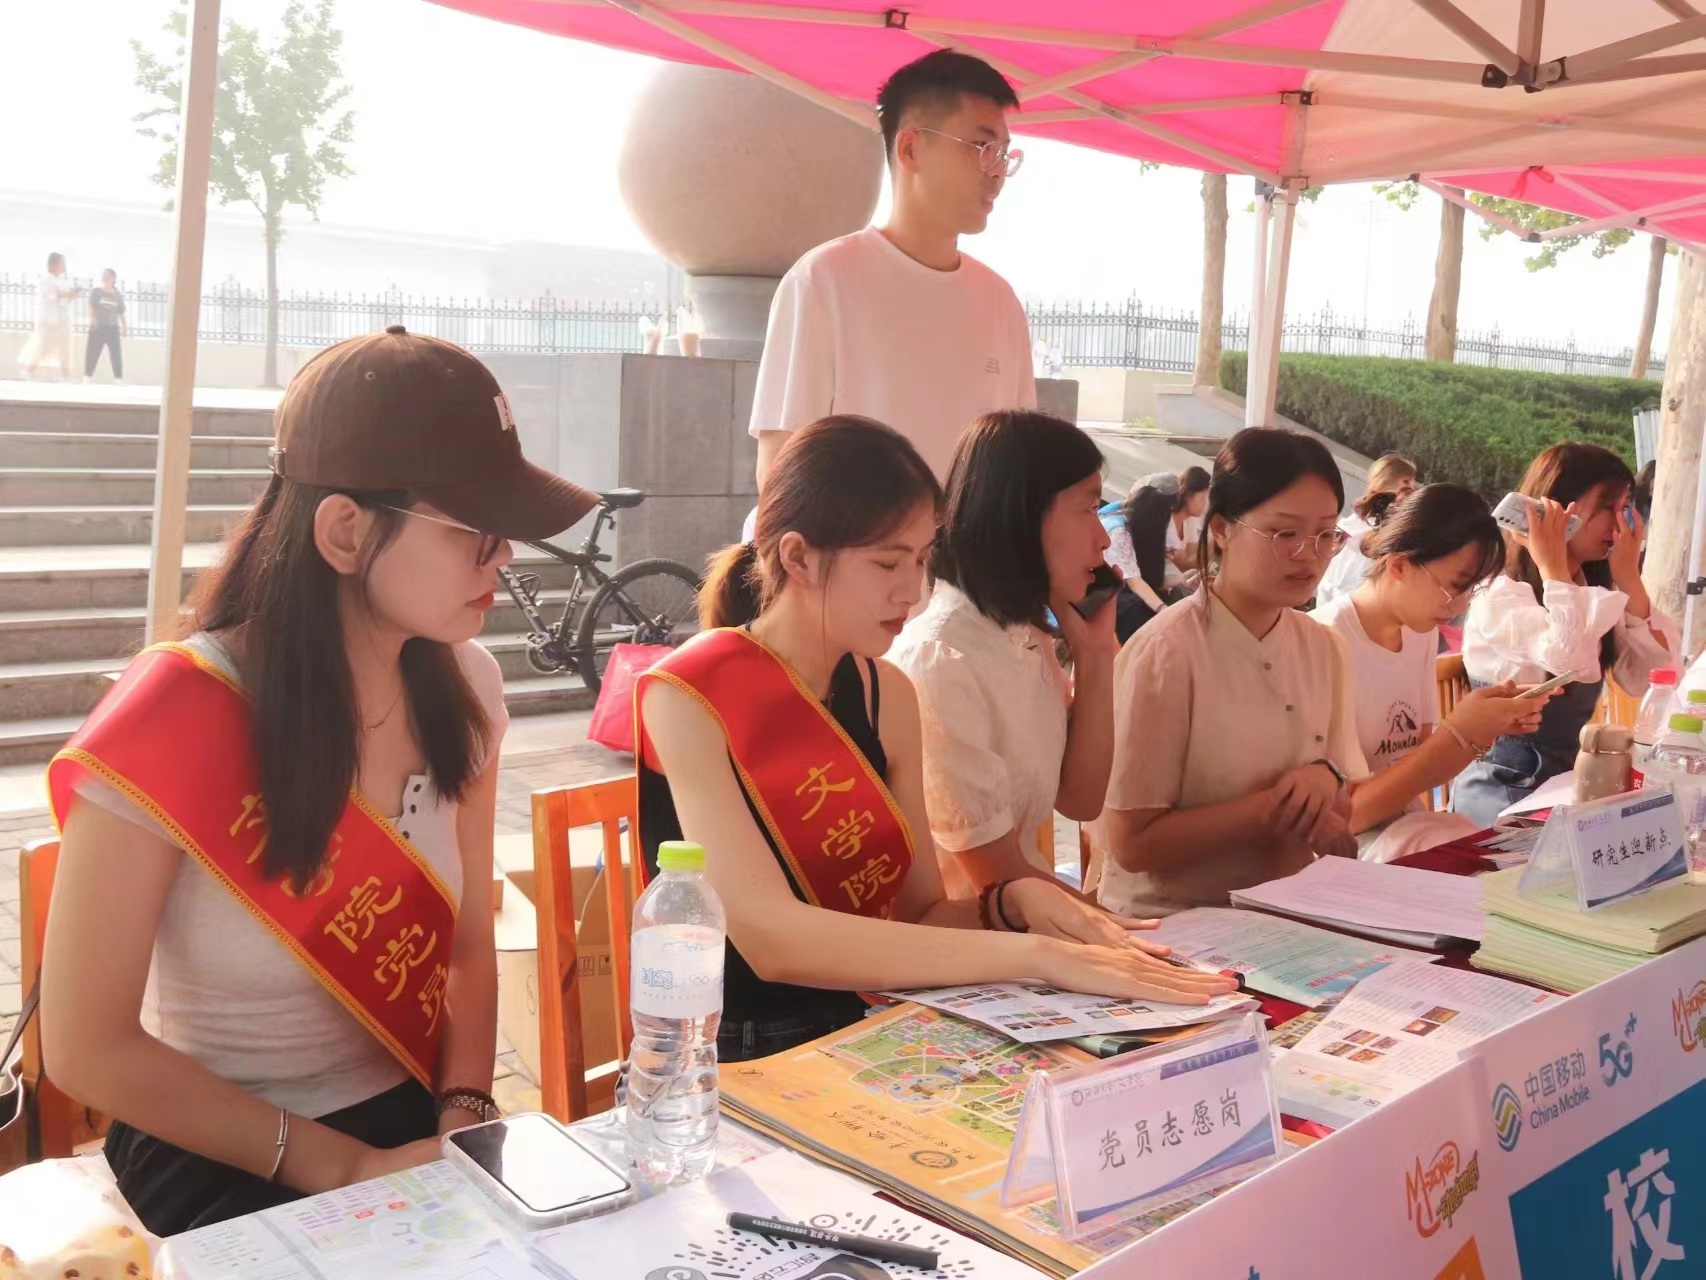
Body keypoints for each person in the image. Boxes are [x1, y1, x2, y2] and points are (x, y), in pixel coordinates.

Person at [41, 327, 600, 1235]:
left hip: (413, 1120)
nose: (505, 558)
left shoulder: (468, 686)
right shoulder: (177, 713)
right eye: (476, 530)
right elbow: (85, 1047)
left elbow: (464, 943)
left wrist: (465, 1112)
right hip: (218, 1150)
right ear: (345, 531)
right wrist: (345, 1166)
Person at [637, 416, 1236, 1061]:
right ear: (798, 557)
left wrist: (1011, 903)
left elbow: (921, 911)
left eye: (922, 559)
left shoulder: (885, 691)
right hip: (727, 1052)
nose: (911, 590)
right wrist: (1036, 954)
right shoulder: (688, 693)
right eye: (887, 562)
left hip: (875, 1018)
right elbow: (769, 939)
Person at [743, 50, 1036, 538]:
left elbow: (1017, 466)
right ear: (911, 149)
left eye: (1005, 153)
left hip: (967, 583)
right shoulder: (824, 281)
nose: (997, 171)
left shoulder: (1000, 302)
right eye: (982, 147)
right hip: (851, 580)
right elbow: (781, 472)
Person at [1095, 427, 1366, 918]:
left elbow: (1342, 801)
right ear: (1221, 528)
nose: (1309, 554)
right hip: (1173, 923)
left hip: (1286, 910)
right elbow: (1133, 845)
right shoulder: (1166, 653)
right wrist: (1274, 806)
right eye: (1285, 533)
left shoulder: (1325, 648)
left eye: (1327, 535)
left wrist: (1325, 782)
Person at [889, 410, 1116, 896]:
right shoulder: (941, 659)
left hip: (1035, 924)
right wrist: (1124, 929)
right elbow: (1000, 882)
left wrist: (1096, 654)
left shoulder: (1023, 639)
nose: (1104, 538)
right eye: (1088, 507)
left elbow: (1081, 800)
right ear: (1022, 515)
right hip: (974, 933)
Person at [1311, 485, 1551, 860]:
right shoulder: (1323, 641)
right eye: (1455, 586)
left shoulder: (1418, 633)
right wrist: (1461, 733)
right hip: (1340, 853)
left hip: (1401, 833)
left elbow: (1416, 766)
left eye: (1471, 590)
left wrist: (1482, 729)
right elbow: (1344, 818)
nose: (1460, 606)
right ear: (1399, 565)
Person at [1451, 443, 1678, 824]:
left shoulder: (1588, 592)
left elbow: (1649, 677)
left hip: (1568, 785)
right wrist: (1553, 566)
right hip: (1504, 791)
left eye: (1625, 507)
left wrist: (1628, 576)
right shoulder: (1501, 595)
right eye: (1608, 506)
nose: (1619, 524)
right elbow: (1569, 658)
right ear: (1555, 509)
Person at [1315, 452, 1420, 609]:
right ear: (1387, 480)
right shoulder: (1359, 523)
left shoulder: (1398, 525)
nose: (1411, 487)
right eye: (1406, 481)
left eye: (1412, 482)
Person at [19, 252, 80, 381]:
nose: (63, 266)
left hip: (63, 319)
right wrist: (65, 295)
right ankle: (29, 371)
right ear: (53, 264)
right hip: (49, 320)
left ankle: (65, 375)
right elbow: (47, 297)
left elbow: (64, 298)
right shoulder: (45, 280)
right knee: (42, 346)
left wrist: (70, 296)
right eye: (61, 263)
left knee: (65, 347)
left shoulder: (62, 281)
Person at [85, 267, 127, 381]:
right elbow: (90, 306)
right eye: (103, 276)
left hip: (112, 328)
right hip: (98, 327)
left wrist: (124, 327)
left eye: (107, 276)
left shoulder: (117, 295)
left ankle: (118, 378)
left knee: (116, 353)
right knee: (92, 352)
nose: (104, 278)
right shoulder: (96, 292)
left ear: (113, 279)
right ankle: (88, 376)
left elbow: (121, 312)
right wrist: (92, 319)